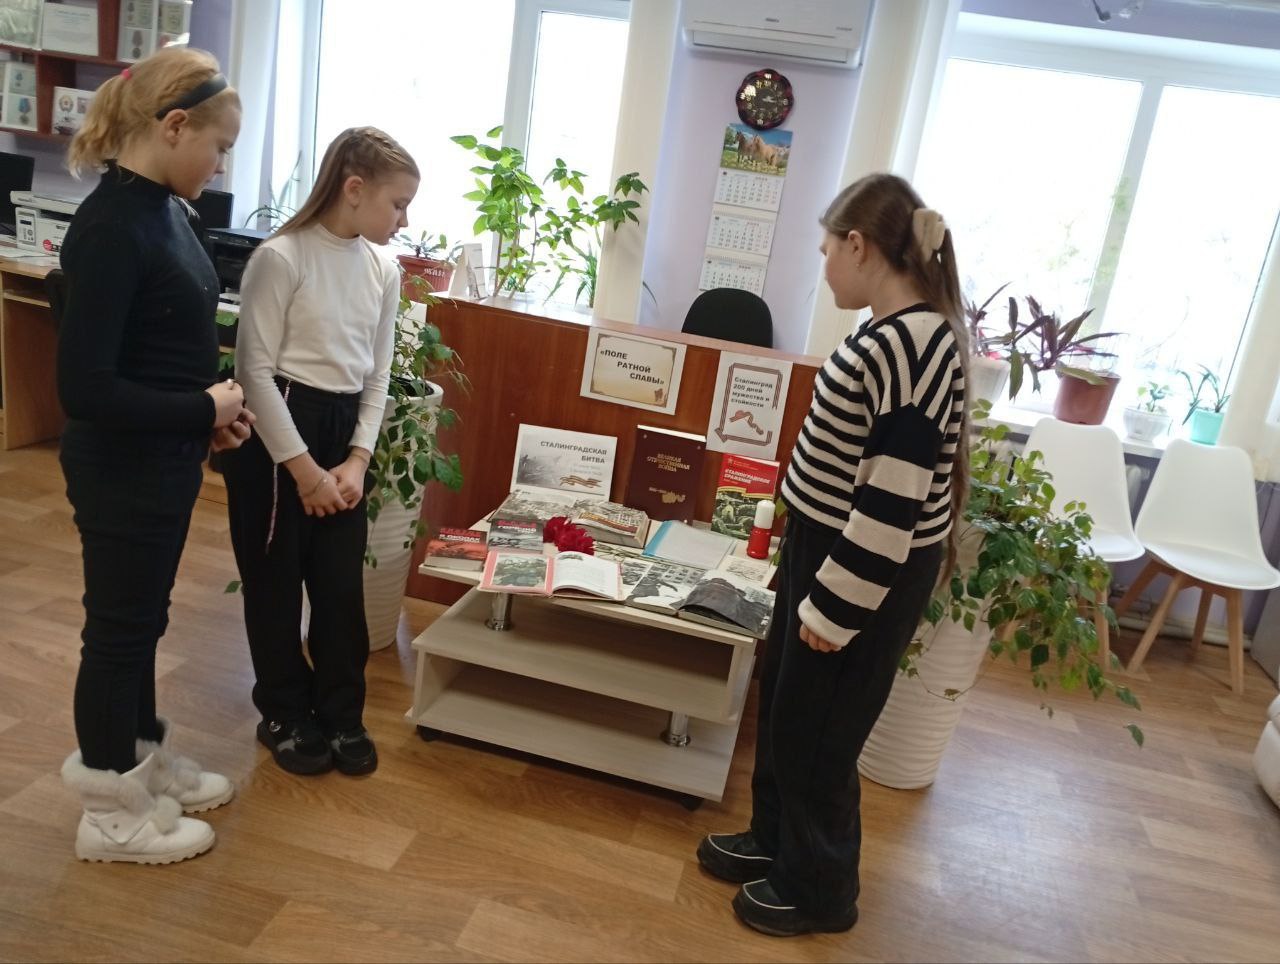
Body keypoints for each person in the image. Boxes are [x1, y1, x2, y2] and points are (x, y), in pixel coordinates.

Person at [697, 173, 969, 937]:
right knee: (787, 707)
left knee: (821, 732)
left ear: (859, 246)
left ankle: (820, 889)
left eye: (825, 251)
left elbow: (895, 495)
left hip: (862, 561)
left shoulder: (916, 344)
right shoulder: (886, 331)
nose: (823, 268)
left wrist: (837, 606)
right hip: (824, 544)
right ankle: (776, 842)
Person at [57, 47, 248, 864]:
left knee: (142, 622)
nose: (221, 163)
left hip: (163, 458)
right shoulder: (109, 228)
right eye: (219, 146)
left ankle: (138, 760)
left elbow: (159, 347)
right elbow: (86, 388)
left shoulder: (170, 211)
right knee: (118, 631)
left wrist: (204, 420)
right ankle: (109, 814)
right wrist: (202, 408)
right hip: (120, 469)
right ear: (174, 126)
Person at [224, 127, 418, 778]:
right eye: (398, 204)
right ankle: (283, 710)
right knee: (274, 585)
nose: (404, 220)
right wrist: (304, 471)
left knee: (339, 590)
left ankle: (340, 712)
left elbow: (378, 375)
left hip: (342, 434)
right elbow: (253, 373)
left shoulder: (383, 269)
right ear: (354, 189)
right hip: (279, 430)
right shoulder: (282, 257)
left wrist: (357, 460)